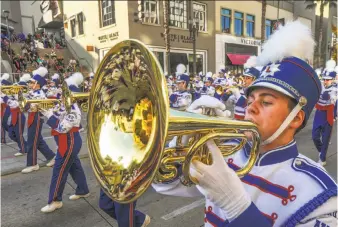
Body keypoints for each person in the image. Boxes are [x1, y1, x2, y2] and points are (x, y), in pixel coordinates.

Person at [152, 21, 337, 226]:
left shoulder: (321, 196)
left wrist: (237, 207)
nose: (251, 108)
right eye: (250, 100)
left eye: (266, 102)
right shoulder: (226, 151)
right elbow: (166, 184)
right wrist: (179, 144)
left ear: (296, 118)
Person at [40, 73, 90, 213]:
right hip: (66, 141)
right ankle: (83, 189)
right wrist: (45, 110)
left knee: (59, 171)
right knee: (74, 166)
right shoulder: (63, 105)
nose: (62, 94)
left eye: (65, 92)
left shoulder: (74, 110)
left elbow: (62, 127)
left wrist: (48, 115)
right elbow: (56, 116)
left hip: (69, 142)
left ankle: (55, 200)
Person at [21, 67, 55, 173]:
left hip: (36, 118)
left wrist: (27, 100)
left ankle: (33, 164)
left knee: (32, 142)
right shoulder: (33, 93)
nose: (30, 84)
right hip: (32, 117)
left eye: (32, 83)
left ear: (38, 84)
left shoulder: (40, 94)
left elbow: (34, 107)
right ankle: (51, 156)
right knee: (38, 140)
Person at [312, 60, 337, 166]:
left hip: (328, 114)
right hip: (319, 113)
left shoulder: (336, 89)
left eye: (328, 80)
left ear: (332, 79)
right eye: (324, 79)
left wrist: (335, 115)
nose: (325, 81)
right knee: (315, 136)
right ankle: (321, 151)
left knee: (326, 137)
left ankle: (322, 159)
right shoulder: (320, 86)